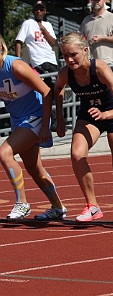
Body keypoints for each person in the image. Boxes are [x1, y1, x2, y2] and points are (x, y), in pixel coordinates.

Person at [54, 32, 113, 223]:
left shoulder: (100, 69)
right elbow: (57, 89)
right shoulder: (65, 73)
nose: (69, 60)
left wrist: (106, 114)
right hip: (89, 116)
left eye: (73, 54)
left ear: (85, 50)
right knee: (77, 155)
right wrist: (60, 118)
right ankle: (92, 206)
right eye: (65, 56)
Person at [0, 34, 66, 220]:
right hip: (18, 120)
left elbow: (46, 91)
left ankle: (22, 204)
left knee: (4, 153)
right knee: (34, 168)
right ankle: (58, 208)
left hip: (35, 116)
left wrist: (45, 126)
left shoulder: (15, 66)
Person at [80, 0, 113, 65]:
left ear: (104, 0)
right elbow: (80, 37)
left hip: (107, 62)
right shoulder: (86, 19)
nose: (96, 2)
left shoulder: (112, 17)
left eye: (98, 0)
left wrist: (102, 39)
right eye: (94, 0)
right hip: (90, 61)